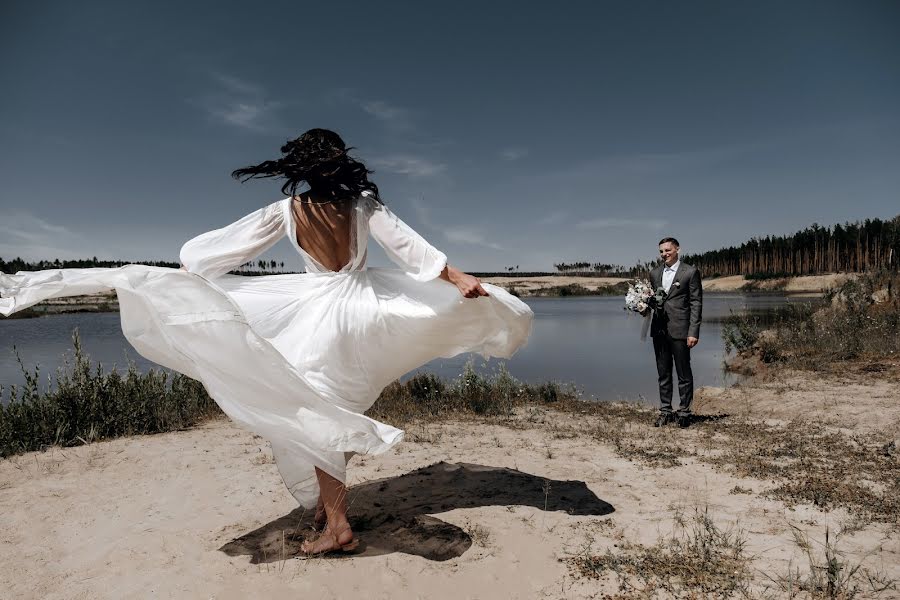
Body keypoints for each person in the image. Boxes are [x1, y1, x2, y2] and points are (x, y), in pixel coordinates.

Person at [0, 128, 533, 555]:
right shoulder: (364, 205)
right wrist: (461, 280)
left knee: (315, 411)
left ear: (299, 167)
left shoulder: (286, 211)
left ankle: (337, 523)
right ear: (340, 162)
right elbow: (417, 253)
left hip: (313, 314)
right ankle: (331, 508)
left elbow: (203, 259)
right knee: (327, 410)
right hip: (364, 313)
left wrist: (195, 280)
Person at [649, 237, 702, 428]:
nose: (664, 254)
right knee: (663, 373)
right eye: (661, 251)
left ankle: (685, 413)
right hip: (659, 330)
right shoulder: (654, 273)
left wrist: (693, 331)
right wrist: (644, 305)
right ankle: (665, 411)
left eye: (668, 250)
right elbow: (653, 300)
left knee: (683, 374)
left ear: (677, 249)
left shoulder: (690, 272)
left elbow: (696, 303)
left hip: (681, 330)